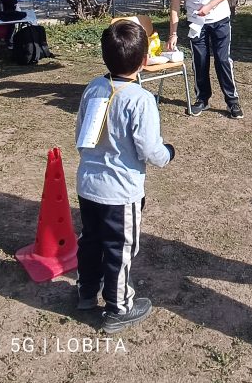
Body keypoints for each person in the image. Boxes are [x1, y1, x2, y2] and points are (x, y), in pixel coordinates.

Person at [74, 19, 175, 332]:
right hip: (120, 193)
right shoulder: (140, 100)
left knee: (90, 240)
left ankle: (86, 292)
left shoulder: (93, 87)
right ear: (145, 61)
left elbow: (80, 132)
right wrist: (167, 154)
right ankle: (119, 307)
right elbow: (148, 148)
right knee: (120, 248)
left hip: (88, 186)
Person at [165, 0, 243, 119]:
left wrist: (209, 6)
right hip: (196, 23)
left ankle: (232, 101)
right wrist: (173, 34)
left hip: (219, 19)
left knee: (222, 60)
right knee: (199, 61)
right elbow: (175, 7)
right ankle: (202, 99)